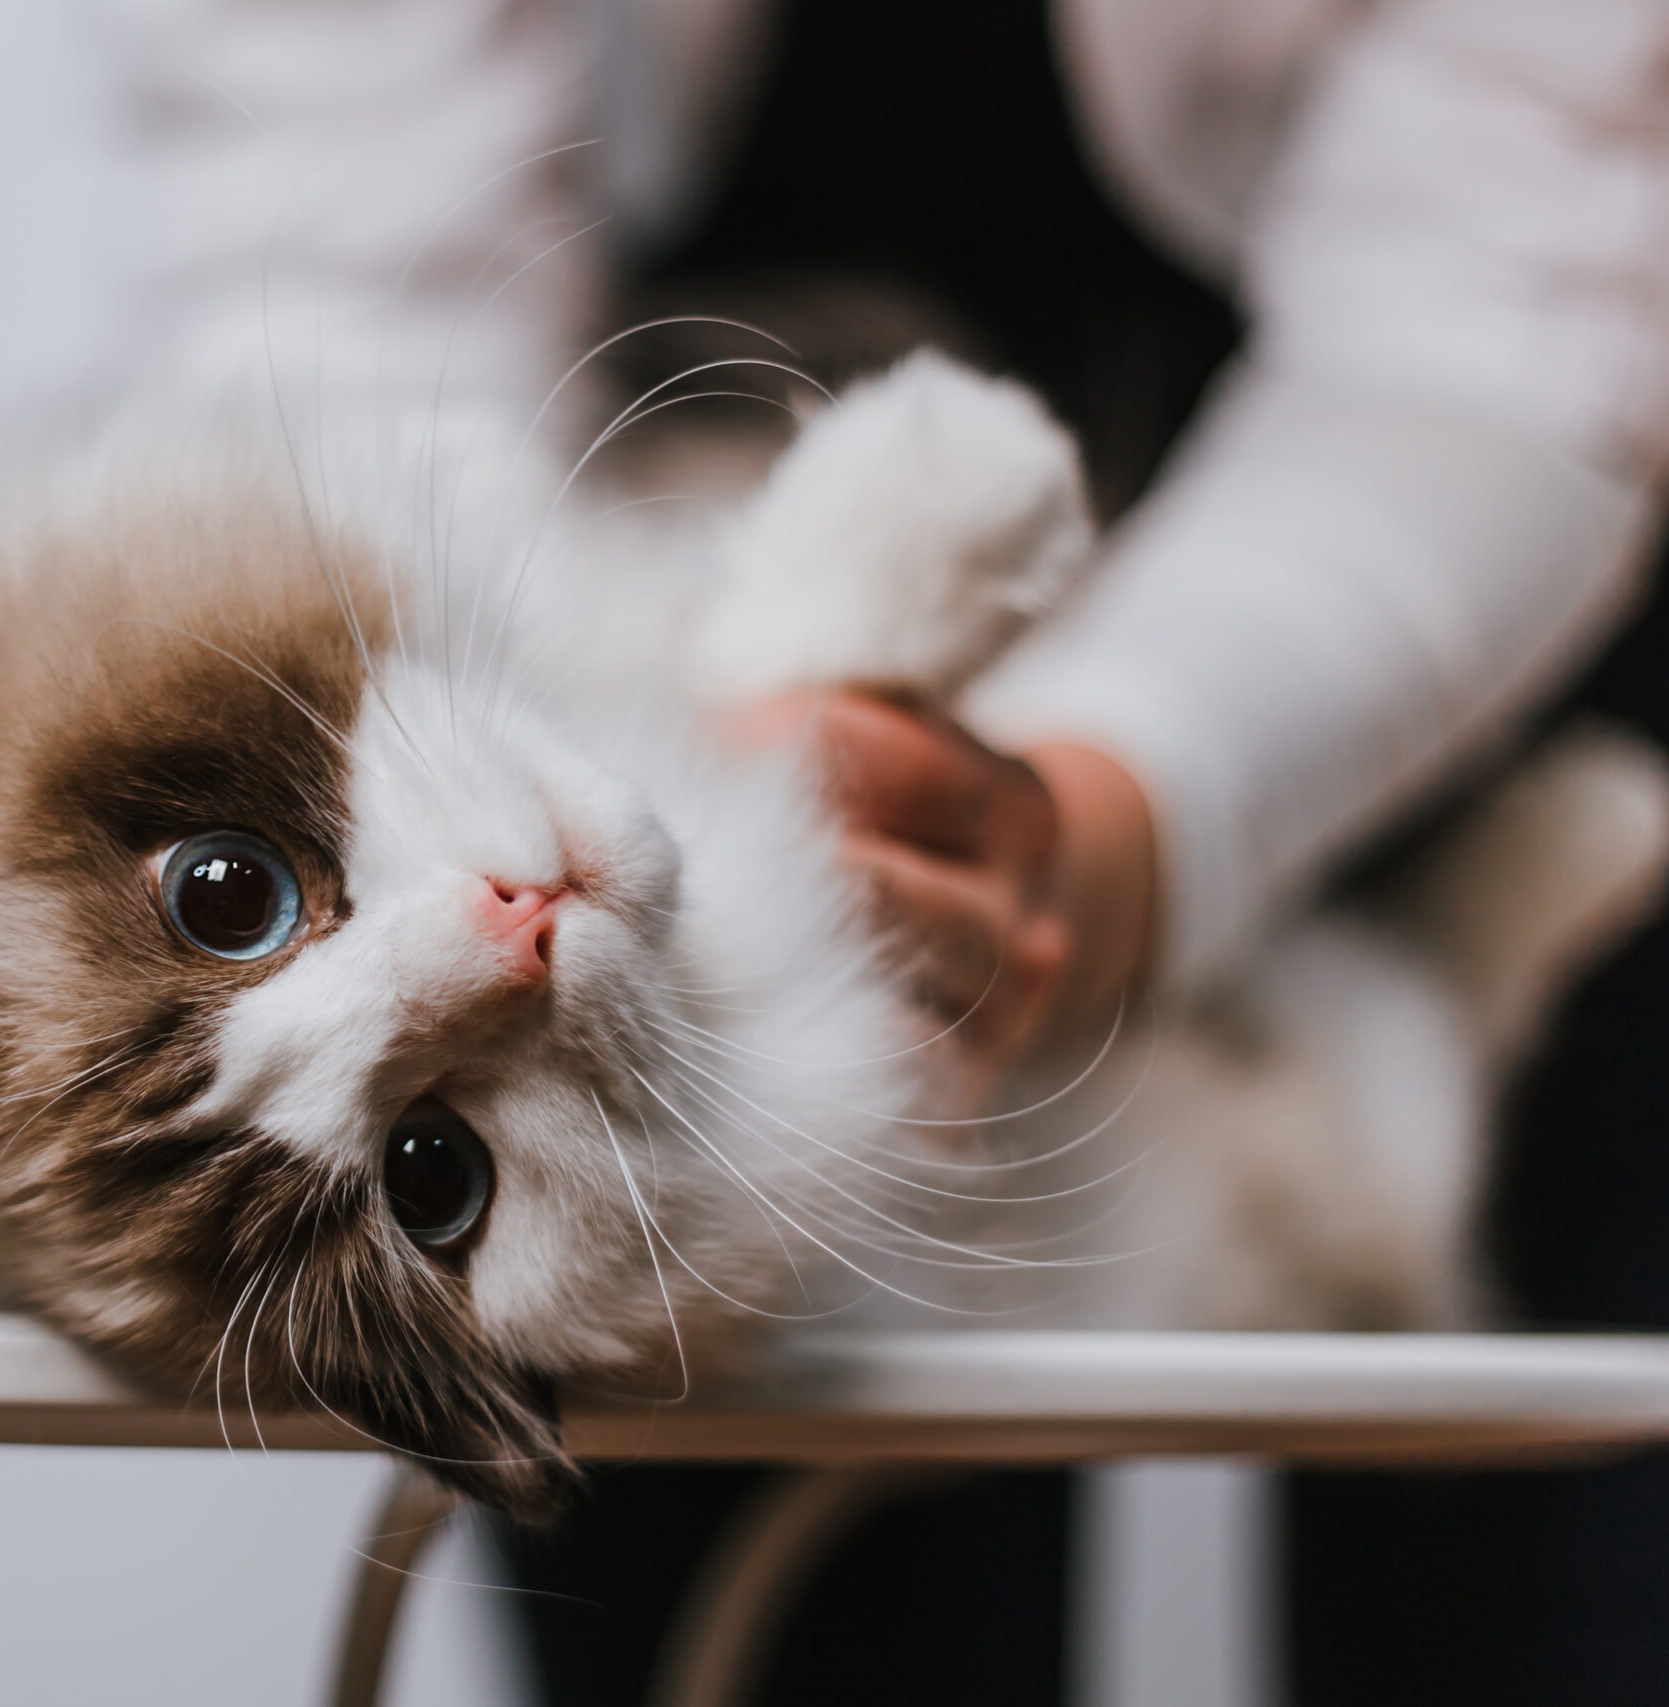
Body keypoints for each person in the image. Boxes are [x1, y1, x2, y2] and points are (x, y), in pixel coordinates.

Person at [105, 1, 1669, 1699]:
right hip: (663, 428)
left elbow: (1512, 301)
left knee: (1526, 1561)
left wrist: (1117, 822)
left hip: (1481, 494)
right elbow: (354, 275)